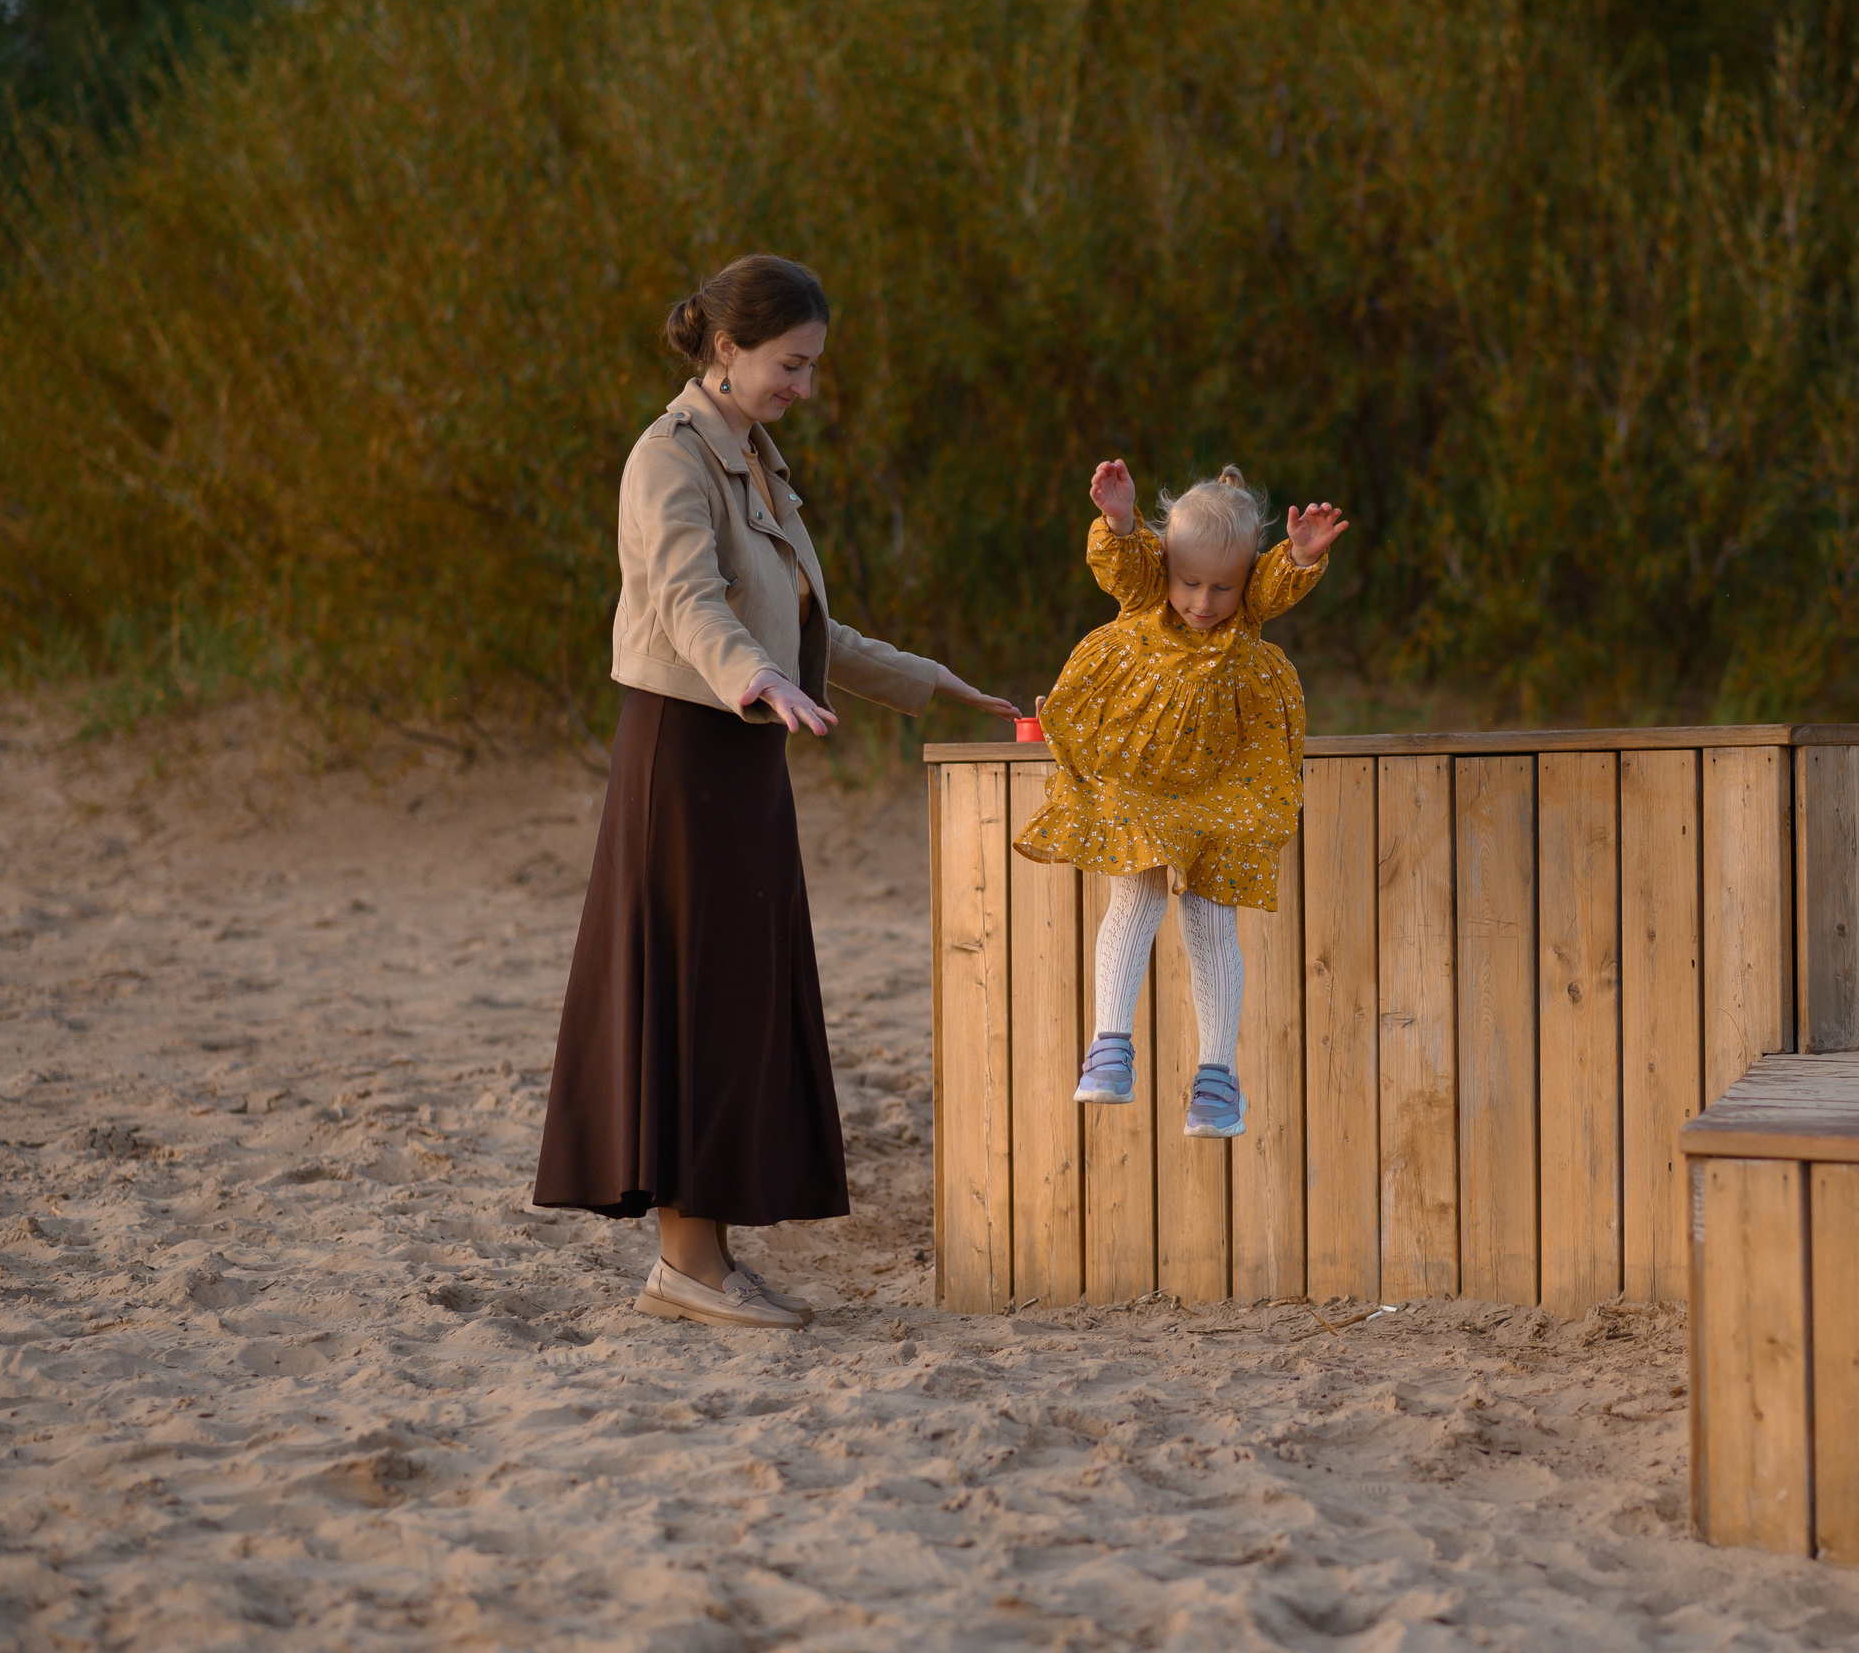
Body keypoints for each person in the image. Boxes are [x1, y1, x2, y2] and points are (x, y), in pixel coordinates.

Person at [533, 254, 1017, 1330]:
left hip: (747, 748)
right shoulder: (665, 460)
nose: (804, 384)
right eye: (790, 364)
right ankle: (686, 1266)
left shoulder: (755, 457)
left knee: (738, 998)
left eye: (811, 367)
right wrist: (752, 676)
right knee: (696, 997)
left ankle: (706, 1257)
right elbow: (687, 601)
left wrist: (935, 684)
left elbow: (809, 628)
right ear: (724, 349)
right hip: (687, 748)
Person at [1013, 461, 1348, 1136]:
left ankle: (1216, 1079)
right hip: (1141, 772)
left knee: (1209, 915)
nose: (1201, 600)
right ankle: (1110, 1046)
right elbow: (1125, 563)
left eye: (1222, 586)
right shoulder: (1146, 595)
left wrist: (1302, 555)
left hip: (1222, 782)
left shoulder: (1246, 610)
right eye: (1188, 580)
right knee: (1134, 894)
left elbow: (1276, 585)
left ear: (1244, 580)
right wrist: (1119, 520)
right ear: (1167, 565)